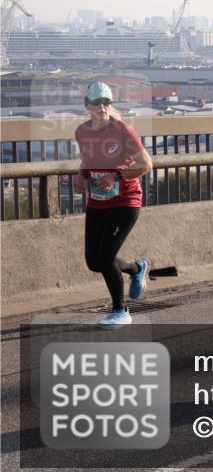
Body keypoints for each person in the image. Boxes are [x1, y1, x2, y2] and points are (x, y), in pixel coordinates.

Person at [73, 82, 154, 328]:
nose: (102, 107)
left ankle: (121, 310)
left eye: (106, 102)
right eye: (96, 103)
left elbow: (146, 164)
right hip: (97, 201)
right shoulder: (82, 132)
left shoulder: (122, 131)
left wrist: (115, 176)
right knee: (94, 262)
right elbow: (86, 161)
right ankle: (136, 268)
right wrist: (82, 177)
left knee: (106, 257)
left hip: (125, 201)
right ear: (87, 105)